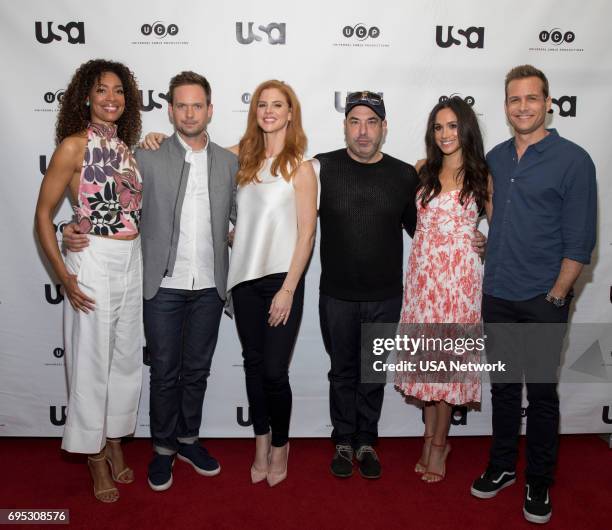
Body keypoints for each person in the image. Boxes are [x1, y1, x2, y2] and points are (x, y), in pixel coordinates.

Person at [63, 71, 239, 492]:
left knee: (197, 371)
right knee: (164, 371)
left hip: (210, 287)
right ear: (171, 110)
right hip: (160, 285)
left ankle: (188, 439)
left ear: (210, 110)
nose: (190, 112)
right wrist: (69, 228)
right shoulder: (144, 156)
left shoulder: (230, 163)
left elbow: (241, 215)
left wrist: (238, 232)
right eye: (182, 105)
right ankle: (163, 449)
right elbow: (102, 200)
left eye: (198, 105)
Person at [469, 65, 596, 525]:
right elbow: (497, 215)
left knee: (541, 395)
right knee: (503, 389)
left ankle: (538, 479)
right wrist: (491, 241)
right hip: (497, 293)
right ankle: (503, 465)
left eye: (531, 98)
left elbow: (580, 239)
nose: (522, 107)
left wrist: (558, 295)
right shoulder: (496, 158)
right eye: (513, 99)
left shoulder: (574, 160)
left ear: (547, 103)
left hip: (544, 299)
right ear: (505, 106)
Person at [35, 59, 143, 503]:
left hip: (131, 258)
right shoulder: (72, 147)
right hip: (92, 260)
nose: (111, 99)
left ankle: (114, 439)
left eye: (119, 91)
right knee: (91, 362)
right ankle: (93, 454)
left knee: (124, 360)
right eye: (101, 90)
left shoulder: (128, 149)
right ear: (85, 96)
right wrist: (64, 276)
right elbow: (43, 215)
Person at [315, 92, 420, 480]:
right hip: (337, 297)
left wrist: (472, 240)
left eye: (371, 122)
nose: (363, 131)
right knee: (342, 373)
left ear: (384, 128)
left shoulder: (404, 175)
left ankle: (366, 442)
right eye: (355, 121)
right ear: (345, 126)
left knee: (373, 373)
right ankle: (343, 440)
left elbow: (424, 232)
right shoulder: (322, 168)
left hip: (385, 298)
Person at [395, 96, 491, 483]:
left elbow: (501, 228)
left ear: (465, 129)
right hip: (423, 283)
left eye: (452, 126)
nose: (445, 134)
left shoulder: (481, 176)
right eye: (438, 127)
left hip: (459, 286)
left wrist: (485, 240)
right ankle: (430, 437)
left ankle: (438, 445)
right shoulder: (422, 170)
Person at [227, 80, 317, 486]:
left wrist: (288, 289)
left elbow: (306, 235)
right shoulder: (241, 160)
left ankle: (280, 445)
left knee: (275, 372)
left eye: (277, 105)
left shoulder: (302, 166)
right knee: (253, 365)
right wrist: (159, 139)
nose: (268, 111)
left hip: (282, 281)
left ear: (290, 112)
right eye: (262, 104)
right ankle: (260, 441)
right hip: (243, 280)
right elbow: (197, 150)